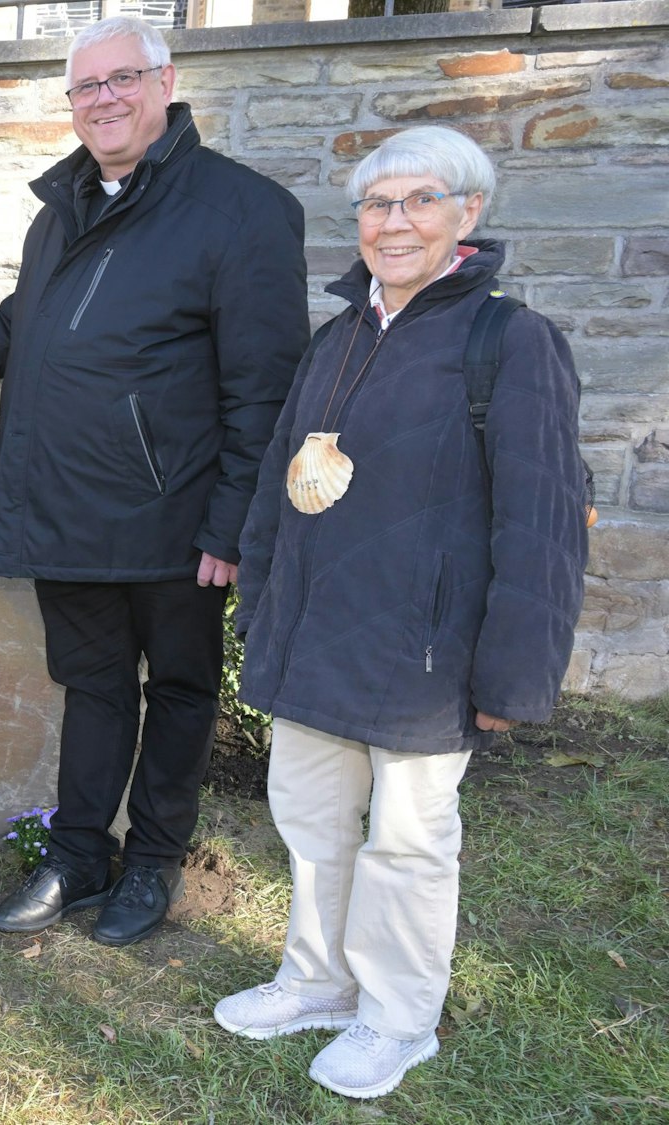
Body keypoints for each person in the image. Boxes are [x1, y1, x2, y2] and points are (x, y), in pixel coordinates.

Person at [0, 14, 306, 946]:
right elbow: (24, 326)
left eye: (121, 80)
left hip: (176, 520)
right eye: (85, 87)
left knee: (180, 691)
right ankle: (78, 855)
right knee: (93, 687)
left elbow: (264, 390)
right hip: (69, 508)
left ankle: (151, 862)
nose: (103, 99)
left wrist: (230, 527)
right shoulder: (63, 207)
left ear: (164, 81)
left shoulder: (243, 211)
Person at [216, 126, 588, 1099]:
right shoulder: (335, 338)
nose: (393, 222)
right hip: (313, 638)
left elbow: (540, 520)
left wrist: (512, 675)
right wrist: (260, 605)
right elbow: (275, 485)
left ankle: (394, 1018)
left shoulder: (506, 340)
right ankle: (319, 980)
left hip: (425, 653)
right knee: (309, 821)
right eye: (376, 205)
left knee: (406, 844)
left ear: (467, 213)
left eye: (418, 200)